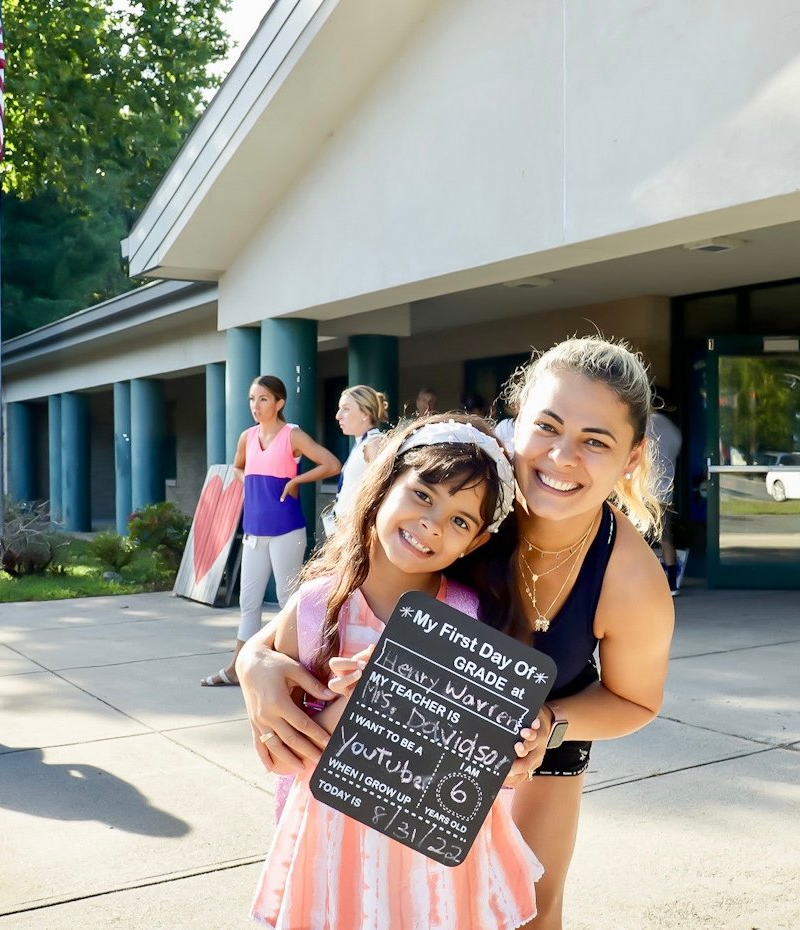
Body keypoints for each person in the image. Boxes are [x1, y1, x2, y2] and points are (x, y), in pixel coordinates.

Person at [237, 336, 675, 930]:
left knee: (530, 914)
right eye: (546, 426)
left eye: (595, 441)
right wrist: (255, 666)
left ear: (631, 456)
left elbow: (636, 700)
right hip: (396, 753)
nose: (562, 457)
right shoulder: (465, 481)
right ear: (514, 422)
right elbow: (329, 595)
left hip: (534, 749)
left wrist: (548, 724)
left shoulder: (630, 579)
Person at [249, 414, 543, 930]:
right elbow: (284, 752)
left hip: (432, 847)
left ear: (474, 543)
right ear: (383, 487)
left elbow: (480, 754)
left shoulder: (469, 616)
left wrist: (518, 735)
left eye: (460, 520)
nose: (433, 523)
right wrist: (369, 701)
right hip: (335, 838)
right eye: (424, 495)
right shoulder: (317, 605)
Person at [200, 375, 341, 687]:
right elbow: (237, 467)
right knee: (248, 603)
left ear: (279, 403)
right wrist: (251, 484)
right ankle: (237, 668)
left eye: (263, 399)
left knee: (286, 599)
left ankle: (292, 669)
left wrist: (294, 481)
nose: (255, 405)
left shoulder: (292, 435)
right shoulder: (246, 437)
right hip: (254, 531)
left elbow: (332, 464)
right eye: (252, 399)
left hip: (286, 530)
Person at [330, 384, 389, 529]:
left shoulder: (373, 442)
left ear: (365, 413)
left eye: (346, 409)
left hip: (356, 531)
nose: (338, 416)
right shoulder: (362, 442)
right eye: (340, 408)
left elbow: (381, 489)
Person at [647, 389, 683, 595]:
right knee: (666, 537)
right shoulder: (673, 430)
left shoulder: (645, 425)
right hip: (665, 491)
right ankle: (672, 584)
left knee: (635, 540)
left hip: (644, 492)